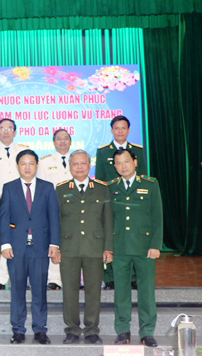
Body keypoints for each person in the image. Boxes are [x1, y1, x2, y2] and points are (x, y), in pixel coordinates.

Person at [0, 150, 60, 345]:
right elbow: (4, 218)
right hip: (16, 248)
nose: (27, 166)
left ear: (36, 165)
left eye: (31, 163)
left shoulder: (48, 187)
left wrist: (54, 244)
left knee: (39, 291)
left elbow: (54, 218)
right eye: (23, 163)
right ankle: (18, 330)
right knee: (17, 290)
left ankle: (40, 330)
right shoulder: (9, 188)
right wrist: (5, 244)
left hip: (41, 248)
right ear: (17, 166)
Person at [55, 150, 113, 345]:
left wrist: (108, 248)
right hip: (68, 247)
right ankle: (71, 329)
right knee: (69, 291)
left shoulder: (102, 188)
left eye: (83, 163)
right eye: (75, 164)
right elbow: (56, 220)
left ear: (89, 166)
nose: (79, 167)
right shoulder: (61, 189)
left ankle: (91, 330)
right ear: (70, 167)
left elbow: (108, 220)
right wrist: (55, 246)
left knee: (93, 290)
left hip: (94, 247)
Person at [108, 148, 162, 348]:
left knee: (146, 291)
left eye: (126, 161)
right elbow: (108, 219)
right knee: (121, 291)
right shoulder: (111, 186)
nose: (123, 166)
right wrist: (108, 247)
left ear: (135, 162)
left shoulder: (150, 184)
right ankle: (122, 330)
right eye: (119, 163)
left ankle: (147, 331)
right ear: (114, 166)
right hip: (120, 247)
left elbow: (157, 217)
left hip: (144, 248)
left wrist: (156, 245)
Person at [95, 115, 146, 290]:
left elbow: (144, 177)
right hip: (112, 202)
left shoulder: (138, 150)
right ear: (111, 130)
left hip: (133, 202)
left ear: (129, 130)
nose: (120, 131)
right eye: (116, 128)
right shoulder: (103, 152)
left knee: (132, 238)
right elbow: (101, 180)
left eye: (123, 128)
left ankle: (132, 277)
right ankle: (110, 278)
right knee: (110, 238)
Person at [0, 118, 30, 290]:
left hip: (22, 202)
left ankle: (22, 277)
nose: (6, 132)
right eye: (2, 128)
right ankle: (0, 278)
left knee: (22, 239)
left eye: (9, 128)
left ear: (15, 132)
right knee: (1, 237)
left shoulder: (24, 150)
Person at [36, 129, 73, 291]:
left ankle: (74, 278)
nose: (62, 141)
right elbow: (42, 188)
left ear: (70, 141)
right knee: (53, 243)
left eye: (66, 138)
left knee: (73, 244)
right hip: (52, 209)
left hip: (75, 209)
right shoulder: (44, 162)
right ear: (54, 142)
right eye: (59, 139)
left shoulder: (77, 159)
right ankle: (54, 279)